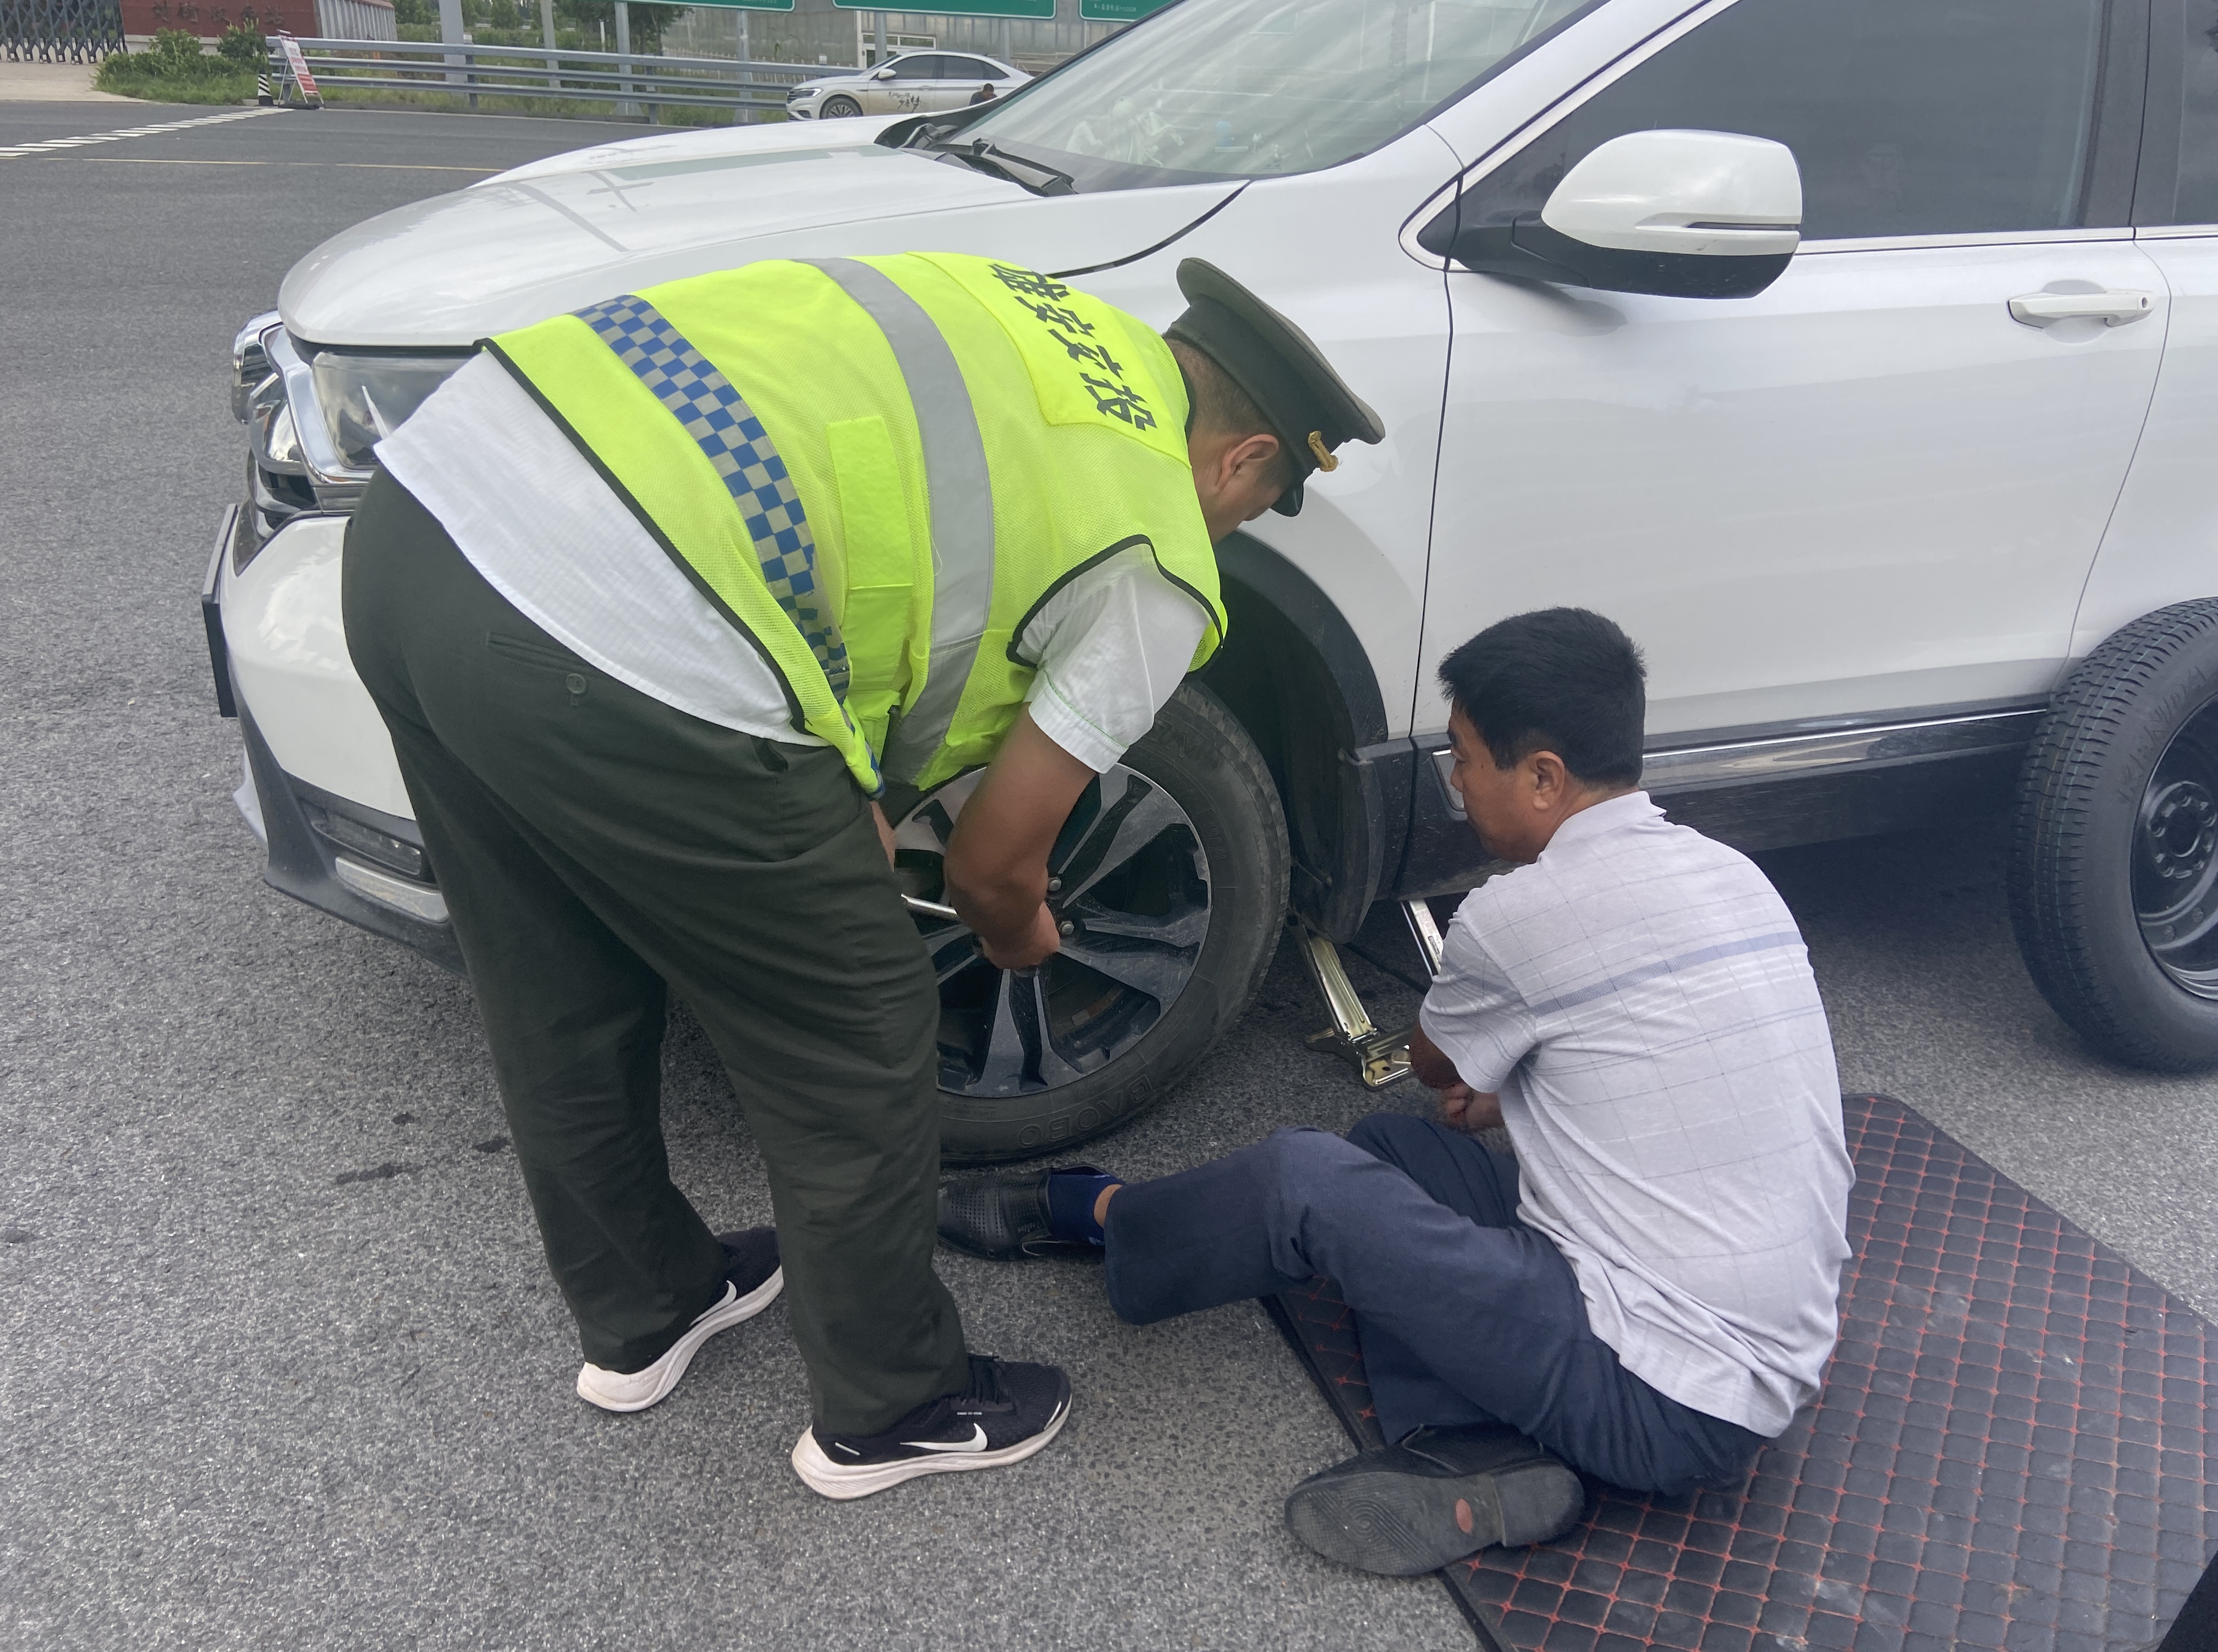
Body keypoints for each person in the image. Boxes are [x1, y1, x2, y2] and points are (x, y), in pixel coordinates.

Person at [339, 254, 1383, 1500]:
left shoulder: (1039, 317)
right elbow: (1000, 865)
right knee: (861, 1024)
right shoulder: (1157, 544)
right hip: (622, 640)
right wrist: (1021, 938)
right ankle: (892, 1405)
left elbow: (869, 532)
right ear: (1243, 460)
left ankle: (647, 1310)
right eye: (1253, 507)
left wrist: (850, 792)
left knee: (553, 972)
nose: (1229, 529)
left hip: (424, 522)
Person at [939, 608, 1855, 1566]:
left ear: (1543, 776)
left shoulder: (1524, 911)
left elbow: (1433, 1066)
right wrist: (1510, 1096)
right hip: (1764, 1354)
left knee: (1308, 1182)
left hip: (1660, 1395)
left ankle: (1101, 1214)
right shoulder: (1730, 873)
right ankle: (1469, 1451)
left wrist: (1483, 1082)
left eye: (1464, 759)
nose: (1454, 785)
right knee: (1392, 1154)